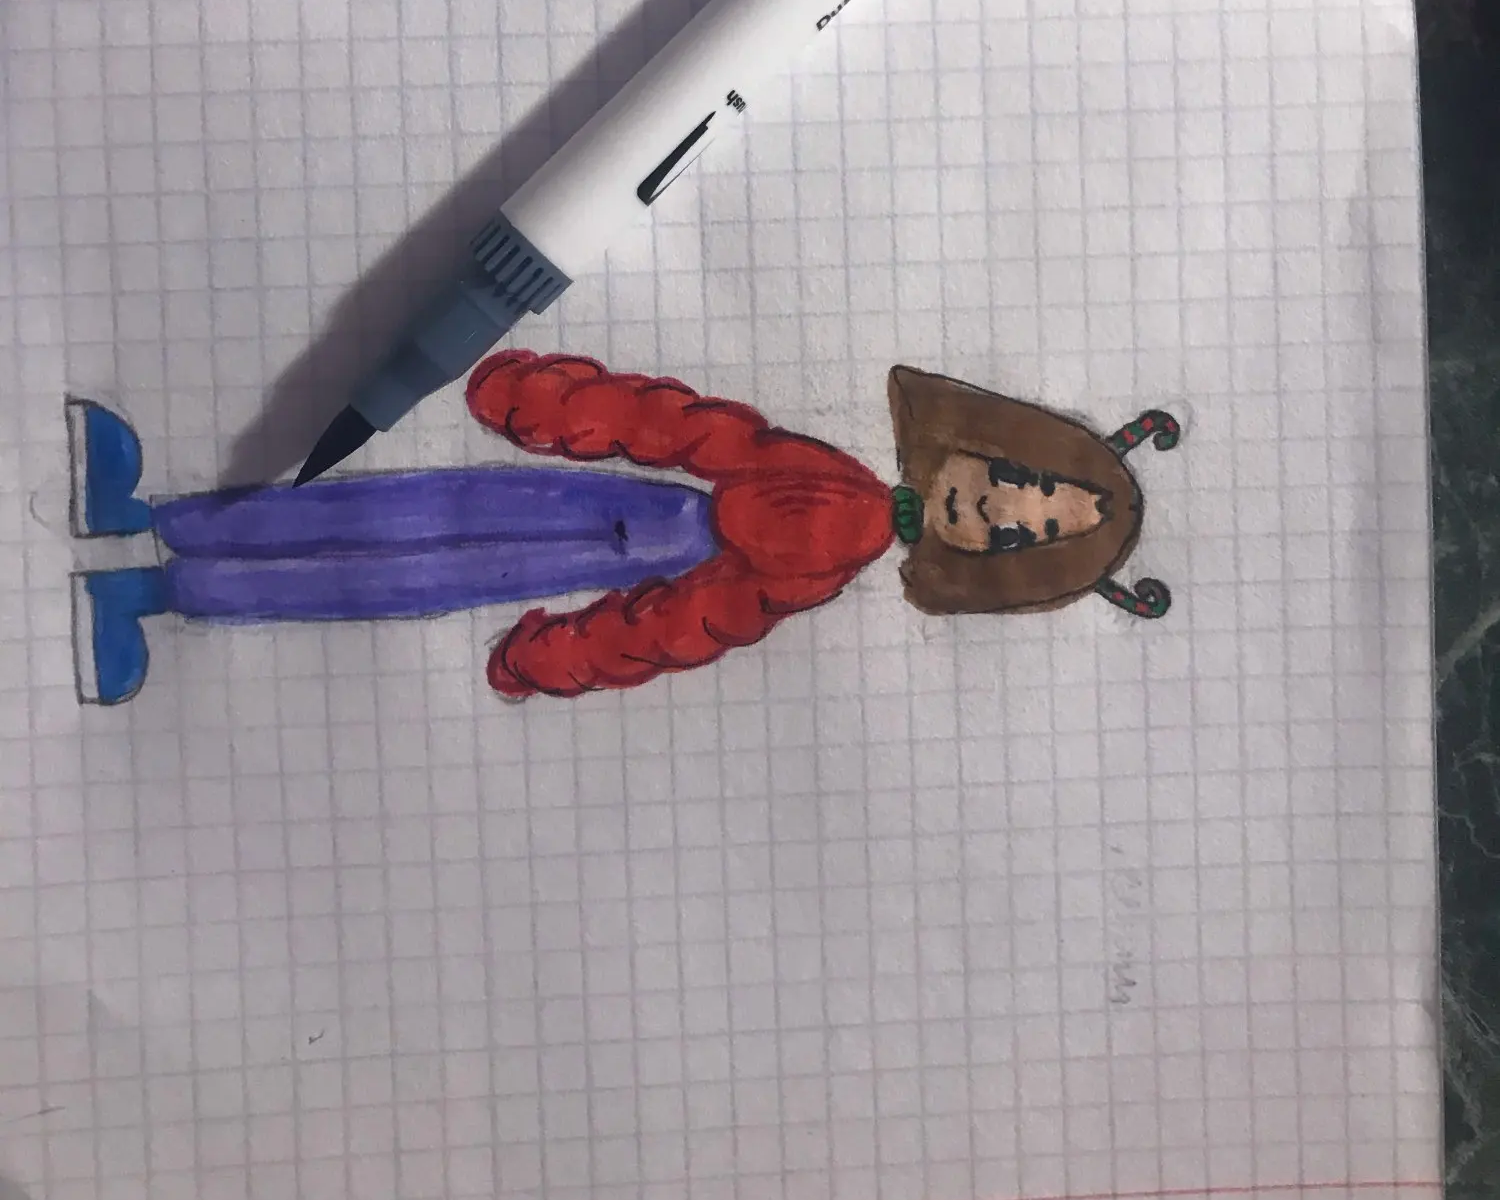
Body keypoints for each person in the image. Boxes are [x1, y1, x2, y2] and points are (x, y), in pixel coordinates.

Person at [69, 352, 1180, 706]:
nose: (1000, 507)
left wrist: (564, 655)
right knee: (383, 511)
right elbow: (694, 431)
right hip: (572, 507)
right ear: (982, 443)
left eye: (1020, 533)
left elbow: (696, 620)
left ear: (986, 563)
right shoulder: (838, 479)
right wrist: (559, 405)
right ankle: (152, 522)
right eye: (1020, 482)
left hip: (579, 543)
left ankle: (160, 589)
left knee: (396, 571)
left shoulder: (832, 554)